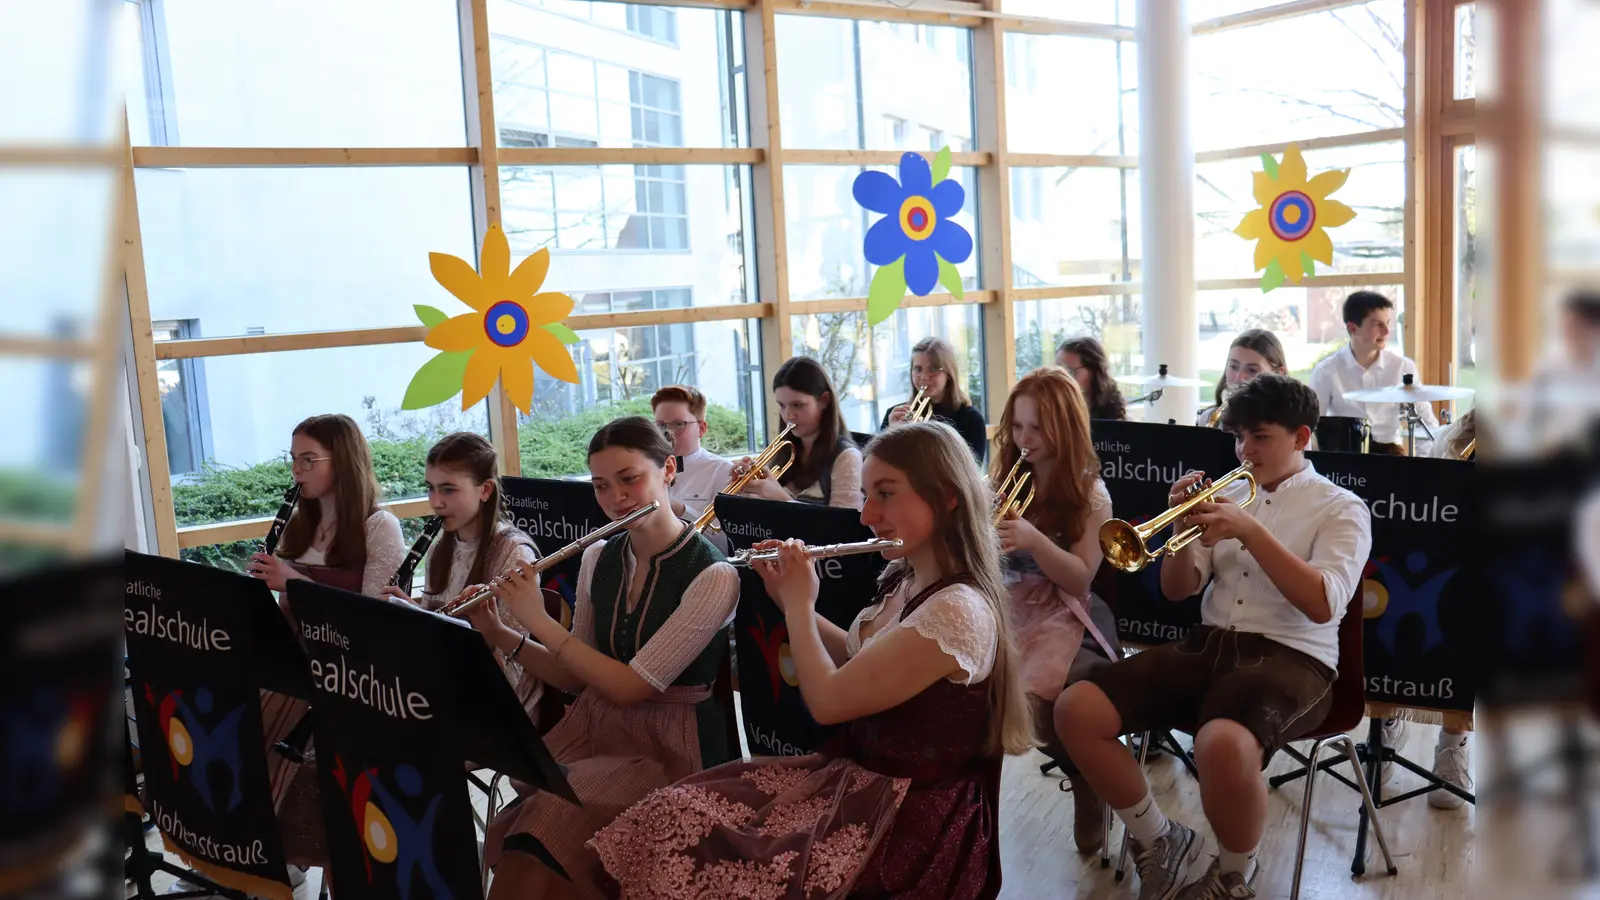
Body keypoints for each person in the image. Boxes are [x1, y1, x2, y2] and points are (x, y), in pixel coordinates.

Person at [588, 420, 1035, 899]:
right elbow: (861, 657)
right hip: (863, 783)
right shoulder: (909, 580)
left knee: (691, 840)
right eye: (865, 495)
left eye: (885, 494)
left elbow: (827, 702)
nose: (866, 515)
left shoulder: (956, 609)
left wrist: (801, 608)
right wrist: (786, 597)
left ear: (947, 497)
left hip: (908, 820)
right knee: (671, 812)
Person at [1057, 374, 1372, 900]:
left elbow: (1322, 603)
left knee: (1219, 744)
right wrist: (1183, 535)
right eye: (1238, 437)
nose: (1245, 450)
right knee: (1075, 710)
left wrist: (1252, 531)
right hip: (1209, 643)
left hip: (1296, 658)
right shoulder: (1228, 495)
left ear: (1301, 437)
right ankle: (1160, 840)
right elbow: (1179, 589)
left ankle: (1231, 876)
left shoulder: (1341, 508)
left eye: (1261, 437)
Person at [463, 416, 739, 900]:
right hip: (599, 729)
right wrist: (501, 631)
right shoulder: (599, 557)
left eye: (630, 479)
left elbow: (632, 688)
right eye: (601, 486)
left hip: (674, 748)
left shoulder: (715, 577)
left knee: (543, 821)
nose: (616, 499)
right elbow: (577, 679)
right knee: (525, 829)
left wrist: (539, 619)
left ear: (668, 469)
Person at [244, 413, 407, 874]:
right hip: (299, 659)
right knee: (232, 716)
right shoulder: (299, 522)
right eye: (293, 459)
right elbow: (286, 614)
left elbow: (375, 617)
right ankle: (253, 851)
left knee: (286, 747)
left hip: (353, 671)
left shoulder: (381, 526)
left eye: (309, 459)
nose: (297, 470)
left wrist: (292, 580)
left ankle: (296, 859)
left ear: (345, 461)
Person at [991, 367, 1122, 853]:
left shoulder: (1091, 493)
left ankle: (1086, 775)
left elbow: (1081, 575)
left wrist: (1031, 538)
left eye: (1037, 428)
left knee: (1037, 705)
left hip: (1067, 610)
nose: (1025, 439)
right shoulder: (1004, 477)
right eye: (1018, 426)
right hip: (1010, 600)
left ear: (1065, 428)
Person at [378, 432, 542, 720]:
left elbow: (512, 663)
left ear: (485, 490)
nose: (436, 502)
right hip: (445, 680)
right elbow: (438, 624)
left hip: (498, 702)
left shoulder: (515, 554)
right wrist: (408, 612)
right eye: (431, 488)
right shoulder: (441, 548)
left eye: (449, 490)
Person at [1309, 291, 1440, 455]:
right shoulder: (1326, 371)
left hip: (1391, 457)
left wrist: (1425, 467)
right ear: (1353, 328)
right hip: (1345, 459)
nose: (1386, 331)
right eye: (1377, 324)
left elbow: (1426, 424)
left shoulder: (1403, 367)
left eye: (1388, 323)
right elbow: (1310, 427)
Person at [736, 356, 863, 510]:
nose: (788, 415)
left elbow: (845, 528)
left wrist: (782, 499)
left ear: (824, 401)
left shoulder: (846, 457)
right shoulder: (782, 453)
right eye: (782, 405)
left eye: (798, 405)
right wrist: (745, 489)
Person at [882, 336, 989, 463]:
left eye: (933, 369)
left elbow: (971, 474)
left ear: (949, 374)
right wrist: (891, 434)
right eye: (918, 369)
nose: (924, 377)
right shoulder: (895, 415)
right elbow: (878, 465)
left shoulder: (971, 420)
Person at [651, 385, 734, 526]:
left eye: (678, 424)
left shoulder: (722, 470)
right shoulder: (648, 469)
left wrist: (680, 510)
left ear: (701, 429)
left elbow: (724, 541)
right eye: (660, 425)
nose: (667, 433)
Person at [1198, 329, 1289, 428]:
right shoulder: (1208, 418)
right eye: (1233, 367)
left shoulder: (1290, 426)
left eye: (1252, 370)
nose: (1239, 378)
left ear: (1279, 374)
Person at [1057, 336, 1127, 421]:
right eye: (1058, 371)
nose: (1061, 378)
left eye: (1070, 372)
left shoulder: (1119, 420)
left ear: (1094, 372)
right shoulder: (1049, 412)